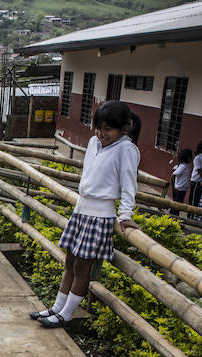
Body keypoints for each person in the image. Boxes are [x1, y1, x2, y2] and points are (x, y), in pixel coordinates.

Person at [30, 100, 141, 328]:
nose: (101, 134)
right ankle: (57, 307)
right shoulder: (93, 142)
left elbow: (129, 185)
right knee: (69, 262)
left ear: (125, 127)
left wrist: (125, 215)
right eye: (98, 128)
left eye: (108, 129)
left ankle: (67, 313)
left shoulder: (127, 149)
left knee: (82, 267)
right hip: (82, 210)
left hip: (100, 215)